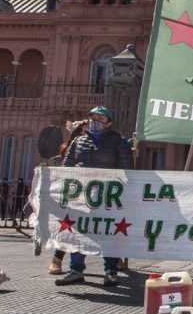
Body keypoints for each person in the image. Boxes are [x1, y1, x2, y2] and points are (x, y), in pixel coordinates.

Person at [55, 106, 133, 287]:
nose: (95, 122)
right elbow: (65, 169)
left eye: (100, 118)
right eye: (92, 118)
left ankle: (110, 270)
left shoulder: (118, 142)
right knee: (78, 231)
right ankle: (76, 270)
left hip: (107, 197)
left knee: (108, 232)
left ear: (109, 123)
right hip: (81, 197)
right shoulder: (78, 142)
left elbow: (129, 170)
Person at [47, 120, 87, 275]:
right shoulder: (69, 150)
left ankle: (113, 261)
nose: (85, 133)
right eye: (82, 131)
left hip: (93, 193)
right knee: (68, 227)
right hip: (73, 194)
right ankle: (57, 260)